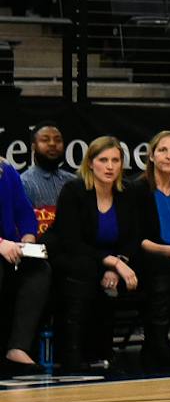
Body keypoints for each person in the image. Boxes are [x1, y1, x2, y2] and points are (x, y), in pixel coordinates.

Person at [48, 136, 136, 374]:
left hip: (107, 260)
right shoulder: (74, 190)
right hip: (68, 255)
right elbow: (71, 241)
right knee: (85, 269)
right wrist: (113, 262)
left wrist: (118, 264)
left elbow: (131, 238)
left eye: (115, 160)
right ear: (90, 163)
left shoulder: (126, 193)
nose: (110, 166)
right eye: (103, 160)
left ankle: (101, 351)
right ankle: (71, 353)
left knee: (109, 279)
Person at [121, 130, 170, 368]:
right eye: (163, 150)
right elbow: (136, 237)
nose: (169, 156)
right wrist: (167, 251)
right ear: (151, 156)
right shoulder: (137, 189)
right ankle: (157, 346)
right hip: (149, 255)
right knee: (163, 272)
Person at [1, 159, 50, 375]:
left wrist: (28, 237)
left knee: (40, 270)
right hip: (3, 247)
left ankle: (17, 348)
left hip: (12, 248)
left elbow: (24, 210)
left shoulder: (7, 170)